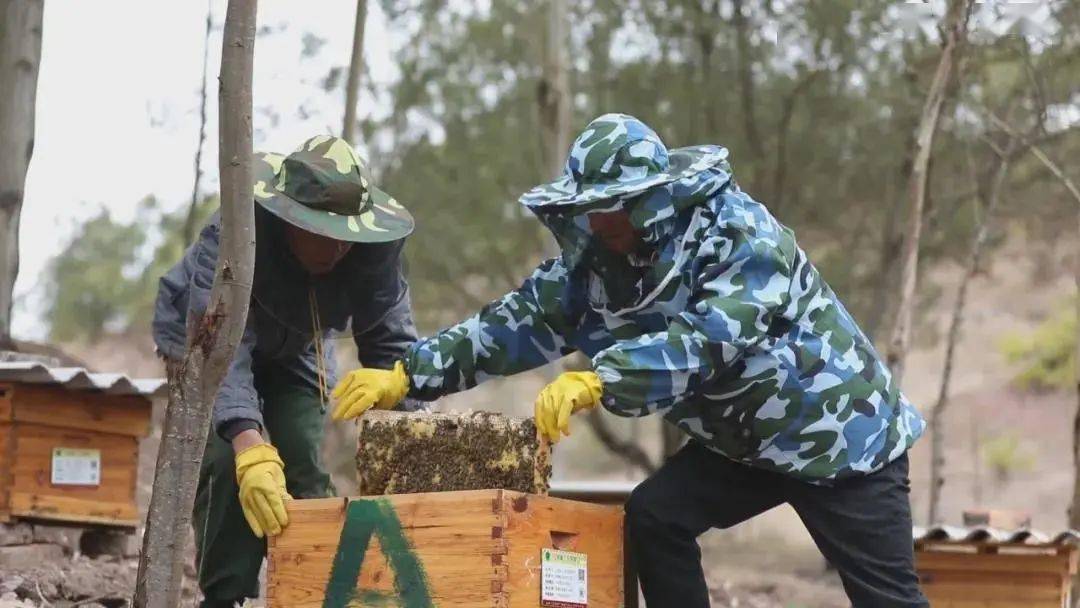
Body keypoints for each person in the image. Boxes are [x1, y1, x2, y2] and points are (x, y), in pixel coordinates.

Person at [330, 114, 928, 607]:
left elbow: (707, 342)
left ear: (651, 198)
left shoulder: (743, 236)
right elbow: (519, 321)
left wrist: (600, 380)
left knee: (887, 600)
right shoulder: (600, 263)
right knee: (655, 516)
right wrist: (411, 373)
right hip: (743, 445)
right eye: (589, 206)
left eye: (613, 205)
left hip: (841, 440)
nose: (599, 220)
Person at [152, 135, 421, 608]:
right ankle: (227, 596)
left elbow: (391, 342)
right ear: (285, 216)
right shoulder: (234, 231)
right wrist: (247, 440)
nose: (336, 246)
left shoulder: (375, 254)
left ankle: (317, 592)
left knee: (299, 456)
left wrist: (412, 432)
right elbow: (219, 349)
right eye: (318, 229)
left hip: (297, 344)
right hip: (206, 336)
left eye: (346, 233)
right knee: (226, 463)